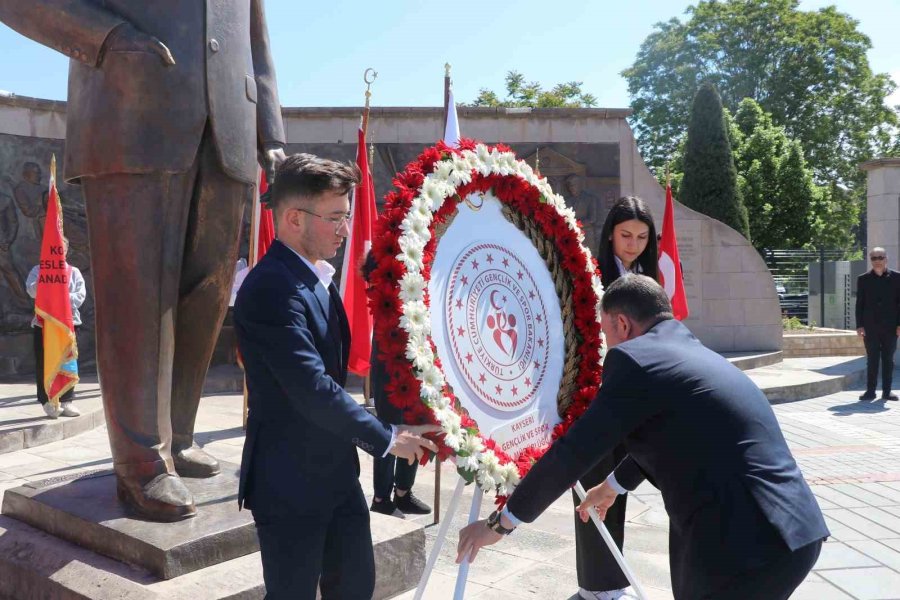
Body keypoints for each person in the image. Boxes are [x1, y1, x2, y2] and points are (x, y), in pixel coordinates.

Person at [0, 1, 287, 521]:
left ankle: (177, 437)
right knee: (139, 298)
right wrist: (107, 39)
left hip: (230, 127)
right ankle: (141, 464)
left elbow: (256, 39)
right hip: (130, 109)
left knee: (207, 293)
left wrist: (271, 130)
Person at [458, 275, 829, 600]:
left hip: (746, 547)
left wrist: (500, 524)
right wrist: (612, 485)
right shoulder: (687, 351)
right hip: (790, 529)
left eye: (605, 332)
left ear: (622, 323)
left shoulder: (636, 360)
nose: (607, 343)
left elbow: (573, 454)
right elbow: (674, 432)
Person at [234, 154, 439, 600]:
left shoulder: (314, 278)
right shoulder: (272, 287)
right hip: (288, 483)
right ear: (293, 218)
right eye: (336, 218)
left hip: (335, 476)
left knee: (354, 587)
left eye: (346, 216)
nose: (346, 230)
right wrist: (387, 437)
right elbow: (313, 388)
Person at [565, 196, 660, 600]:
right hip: (596, 392)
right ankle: (595, 584)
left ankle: (613, 578)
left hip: (635, 394)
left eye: (641, 237)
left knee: (616, 486)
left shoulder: (653, 277)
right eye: (625, 235)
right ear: (610, 235)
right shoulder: (592, 273)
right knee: (591, 484)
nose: (633, 244)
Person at [361, 252, 432, 518]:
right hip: (390, 349)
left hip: (417, 348)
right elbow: (371, 274)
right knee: (390, 426)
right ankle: (381, 497)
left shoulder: (421, 248)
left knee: (415, 421)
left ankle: (403, 492)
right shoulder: (387, 248)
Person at [25, 238, 85, 419]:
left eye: (61, 249)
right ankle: (48, 402)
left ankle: (67, 401)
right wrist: (48, 278)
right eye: (54, 249)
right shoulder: (38, 271)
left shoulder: (74, 272)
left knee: (68, 360)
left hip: (68, 325)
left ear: (66, 251)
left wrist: (60, 298)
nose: (58, 252)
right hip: (44, 325)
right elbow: (32, 291)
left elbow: (80, 296)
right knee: (44, 362)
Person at [856, 247, 900, 401]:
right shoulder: (863, 279)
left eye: (880, 257)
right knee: (872, 359)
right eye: (874, 258)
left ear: (886, 259)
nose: (877, 261)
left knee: (888, 359)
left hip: (891, 327)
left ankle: (887, 392)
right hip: (870, 327)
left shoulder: (897, 278)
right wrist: (859, 325)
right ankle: (870, 391)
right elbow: (859, 303)